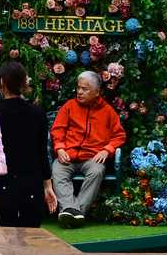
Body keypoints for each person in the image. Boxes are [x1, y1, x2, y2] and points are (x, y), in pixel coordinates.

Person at [0, 62, 54, 227]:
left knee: (6, 240)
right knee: (30, 239)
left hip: (5, 185)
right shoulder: (38, 113)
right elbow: (43, 153)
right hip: (32, 185)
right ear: (23, 83)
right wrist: (48, 186)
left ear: (1, 83)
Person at [48, 70, 125, 226]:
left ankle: (74, 213)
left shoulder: (108, 111)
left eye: (85, 89)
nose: (80, 92)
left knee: (97, 171)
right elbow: (57, 130)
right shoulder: (69, 107)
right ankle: (74, 212)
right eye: (79, 88)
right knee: (57, 170)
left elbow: (119, 136)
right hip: (68, 155)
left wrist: (107, 149)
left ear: (97, 92)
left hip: (92, 157)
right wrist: (60, 148)